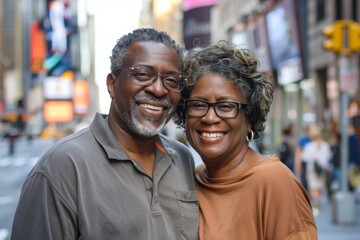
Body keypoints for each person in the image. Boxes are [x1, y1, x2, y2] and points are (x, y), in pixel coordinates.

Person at [11, 28, 199, 240]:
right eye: (143, 75)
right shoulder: (61, 166)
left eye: (171, 80)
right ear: (112, 84)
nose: (158, 89)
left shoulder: (183, 158)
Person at [174, 40, 317, 239]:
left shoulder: (274, 182)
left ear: (250, 118)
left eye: (226, 106)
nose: (210, 117)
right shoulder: (189, 180)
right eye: (198, 104)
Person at [302, 126, 331, 214]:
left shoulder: (309, 146)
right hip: (322, 169)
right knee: (319, 186)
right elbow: (328, 157)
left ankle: (315, 203)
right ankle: (318, 202)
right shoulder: (325, 146)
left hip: (312, 169)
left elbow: (304, 157)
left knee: (313, 186)